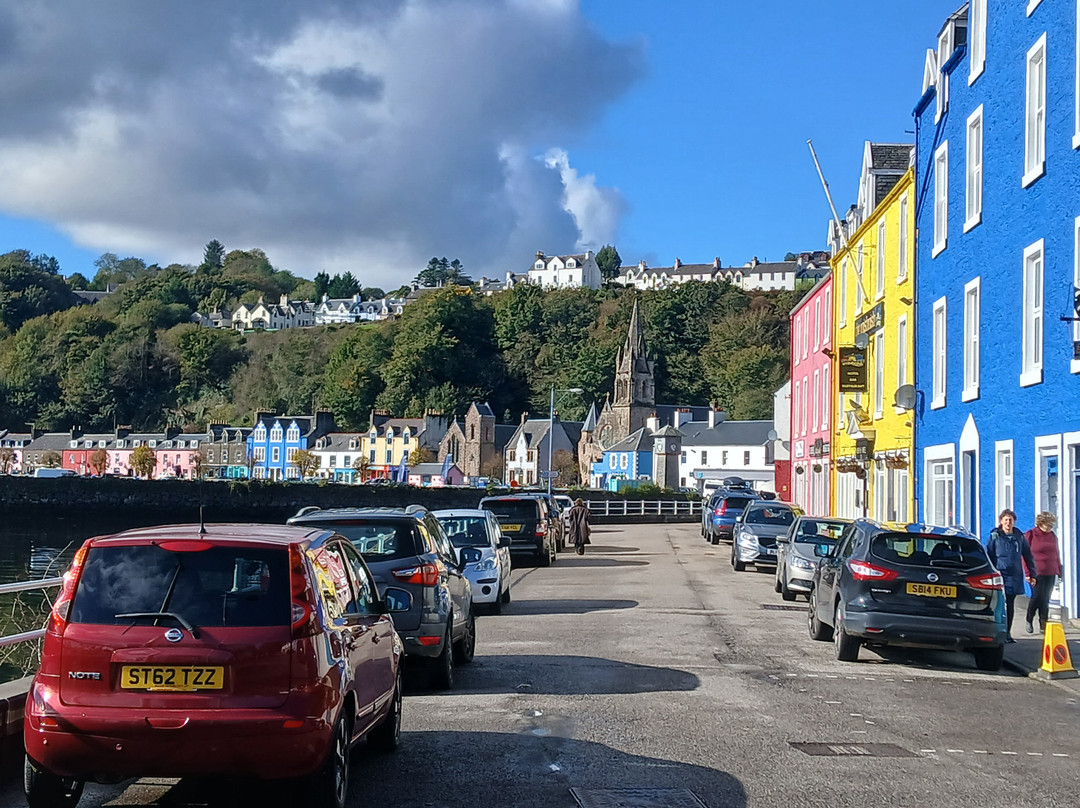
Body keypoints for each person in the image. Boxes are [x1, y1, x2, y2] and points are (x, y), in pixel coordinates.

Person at [986, 509, 1036, 643]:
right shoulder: (995, 536)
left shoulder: (1019, 537)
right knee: (999, 604)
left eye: (1010, 520)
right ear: (1001, 521)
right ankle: (998, 632)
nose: (1008, 522)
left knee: (1011, 604)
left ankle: (1008, 633)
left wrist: (1032, 573)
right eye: (1006, 520)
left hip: (1014, 575)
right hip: (1000, 575)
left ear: (1014, 522)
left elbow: (1028, 556)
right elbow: (989, 556)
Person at [1024, 511, 1062, 635]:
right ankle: (1029, 619)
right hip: (1036, 571)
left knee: (1046, 598)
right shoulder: (1031, 534)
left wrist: (1059, 570)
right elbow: (1024, 555)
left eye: (1051, 525)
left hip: (1050, 571)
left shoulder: (1052, 535)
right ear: (1041, 523)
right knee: (1037, 597)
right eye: (1048, 524)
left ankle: (1043, 623)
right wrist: (1028, 573)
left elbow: (1056, 553)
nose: (1050, 527)